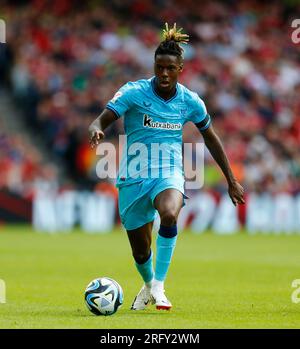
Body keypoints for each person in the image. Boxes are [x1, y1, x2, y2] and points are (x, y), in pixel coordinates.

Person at [89, 23, 245, 311]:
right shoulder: (133, 92)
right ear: (154, 65)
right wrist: (97, 128)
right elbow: (104, 117)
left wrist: (231, 179)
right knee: (140, 250)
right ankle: (148, 286)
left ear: (180, 68)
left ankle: (159, 286)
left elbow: (211, 137)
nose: (163, 73)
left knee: (170, 214)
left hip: (168, 172)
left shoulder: (190, 101)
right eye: (159, 67)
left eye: (170, 68)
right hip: (133, 177)